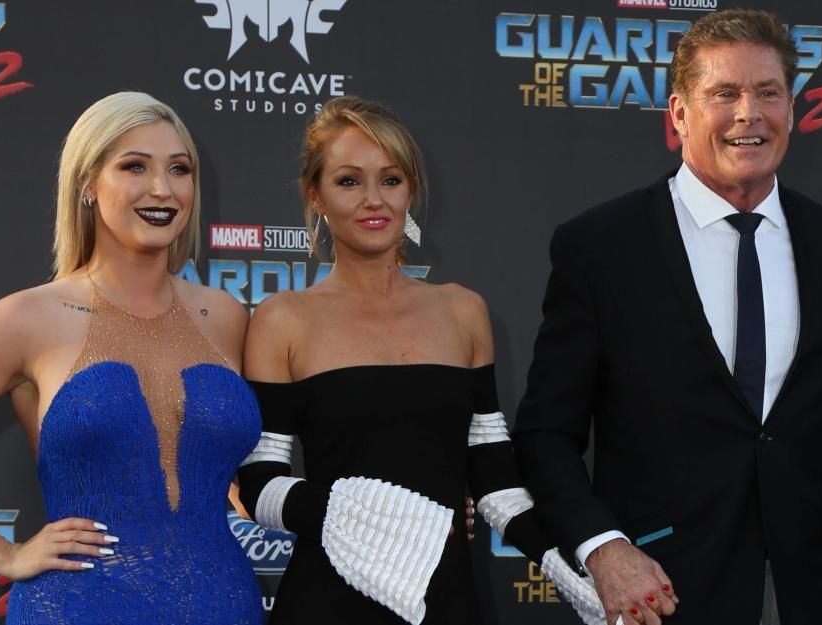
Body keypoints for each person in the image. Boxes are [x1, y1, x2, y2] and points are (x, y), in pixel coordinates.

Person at [512, 9, 822, 625]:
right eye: (724, 94)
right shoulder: (601, 246)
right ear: (679, 114)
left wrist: (796, 511)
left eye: (768, 93)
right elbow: (547, 433)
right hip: (660, 591)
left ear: (792, 109)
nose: (748, 114)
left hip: (807, 589)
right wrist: (604, 549)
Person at [235, 95, 600, 625]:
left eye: (390, 179)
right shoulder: (283, 319)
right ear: (315, 195)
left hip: (447, 600)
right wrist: (394, 520)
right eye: (348, 181)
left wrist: (573, 574)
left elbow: (496, 482)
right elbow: (259, 482)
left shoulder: (463, 311)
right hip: (326, 603)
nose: (373, 200)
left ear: (411, 191)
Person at [0, 92, 262, 623]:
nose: (162, 188)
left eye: (179, 169)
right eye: (134, 166)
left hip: (222, 604)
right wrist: (4, 554)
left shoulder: (226, 316)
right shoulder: (28, 318)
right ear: (86, 184)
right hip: (77, 606)